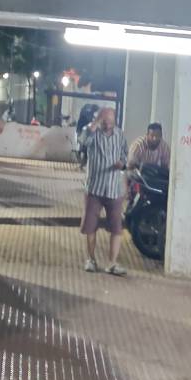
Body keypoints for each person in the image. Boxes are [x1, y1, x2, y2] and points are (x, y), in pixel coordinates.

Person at [80, 104, 128, 276]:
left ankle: (112, 263)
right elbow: (83, 141)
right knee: (90, 226)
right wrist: (96, 122)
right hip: (95, 188)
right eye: (104, 121)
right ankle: (91, 259)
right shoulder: (91, 132)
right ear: (99, 119)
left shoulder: (120, 135)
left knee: (116, 228)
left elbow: (125, 155)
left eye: (110, 121)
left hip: (114, 189)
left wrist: (122, 163)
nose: (108, 124)